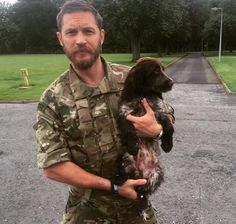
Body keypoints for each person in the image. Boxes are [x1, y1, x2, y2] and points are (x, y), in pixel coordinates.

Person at [34, 0, 174, 223]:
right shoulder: (53, 99)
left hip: (138, 210)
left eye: (88, 31)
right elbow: (53, 166)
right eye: (71, 32)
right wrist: (115, 187)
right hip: (87, 212)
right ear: (61, 38)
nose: (80, 40)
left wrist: (157, 130)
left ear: (101, 35)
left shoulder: (133, 77)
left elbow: (166, 111)